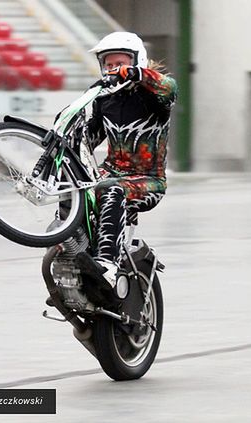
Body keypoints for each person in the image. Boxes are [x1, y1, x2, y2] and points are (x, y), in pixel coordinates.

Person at [76, 31, 177, 298]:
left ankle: (107, 267)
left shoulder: (154, 96)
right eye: (108, 64)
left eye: (119, 63)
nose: (113, 69)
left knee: (111, 189)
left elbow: (170, 88)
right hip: (111, 172)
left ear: (136, 61)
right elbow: (88, 138)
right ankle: (72, 255)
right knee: (74, 190)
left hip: (148, 181)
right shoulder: (104, 98)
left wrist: (137, 75)